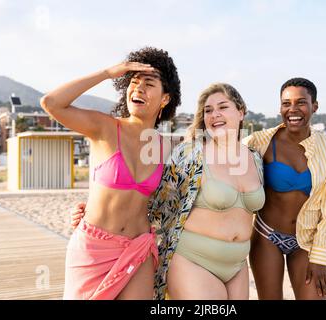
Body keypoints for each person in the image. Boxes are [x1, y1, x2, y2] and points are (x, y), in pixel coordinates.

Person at [72, 83, 265, 300]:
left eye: (223, 107)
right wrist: (93, 212)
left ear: (241, 112)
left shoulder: (255, 158)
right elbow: (155, 199)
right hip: (193, 261)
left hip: (237, 266)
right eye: (208, 110)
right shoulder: (191, 153)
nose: (215, 115)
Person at [41, 47, 181, 300]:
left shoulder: (166, 146)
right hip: (93, 249)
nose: (138, 89)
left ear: (165, 99)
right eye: (133, 82)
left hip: (138, 248)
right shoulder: (104, 128)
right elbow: (51, 103)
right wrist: (107, 73)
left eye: (148, 84)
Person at [242, 77, 326, 300]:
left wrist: (320, 258)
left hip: (305, 241)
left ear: (314, 106)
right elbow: (226, 164)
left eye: (301, 102)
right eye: (286, 103)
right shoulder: (258, 143)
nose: (293, 109)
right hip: (265, 236)